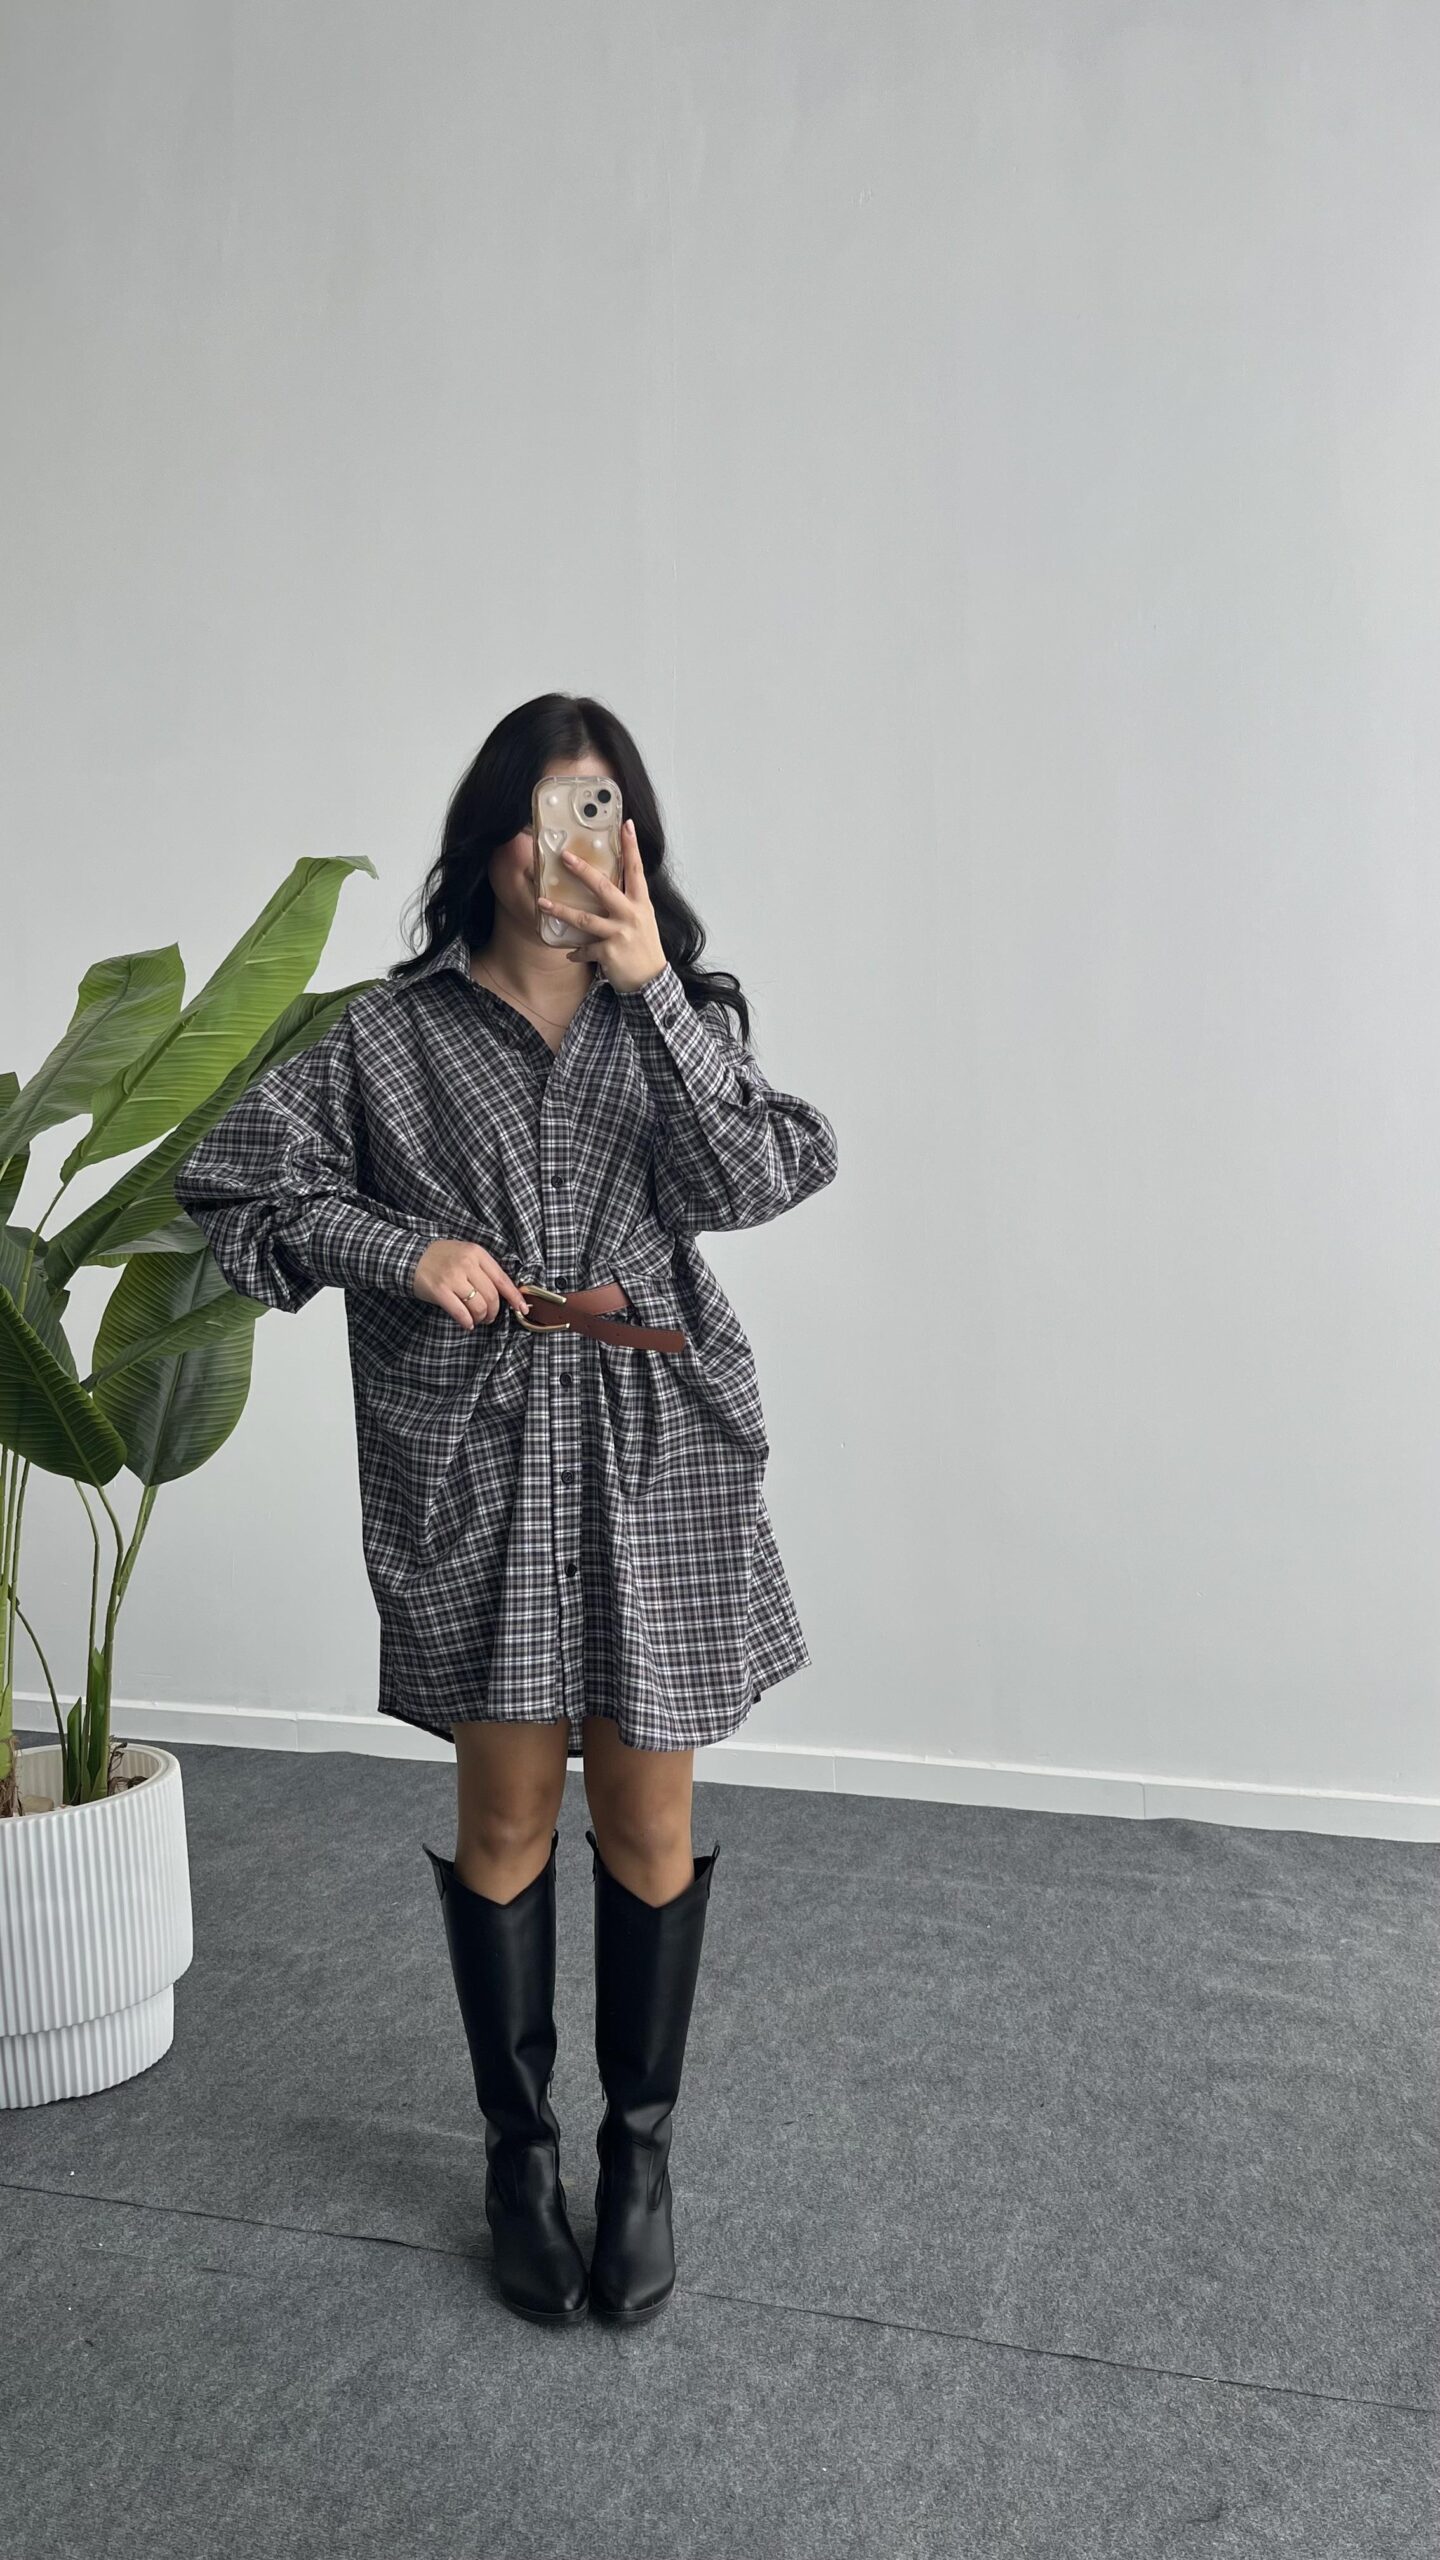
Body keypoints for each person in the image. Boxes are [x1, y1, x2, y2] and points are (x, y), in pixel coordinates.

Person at [171, 692, 839, 2328]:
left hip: (655, 1447)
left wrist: (653, 986)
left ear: (633, 844)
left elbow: (763, 1178)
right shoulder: (388, 1040)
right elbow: (231, 1185)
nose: (569, 854)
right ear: (489, 844)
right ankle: (517, 2155)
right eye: (545, 820)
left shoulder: (680, 1019)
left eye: (601, 818)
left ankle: (640, 2158)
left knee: (650, 1822)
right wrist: (403, 1249)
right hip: (477, 1454)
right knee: (507, 1819)